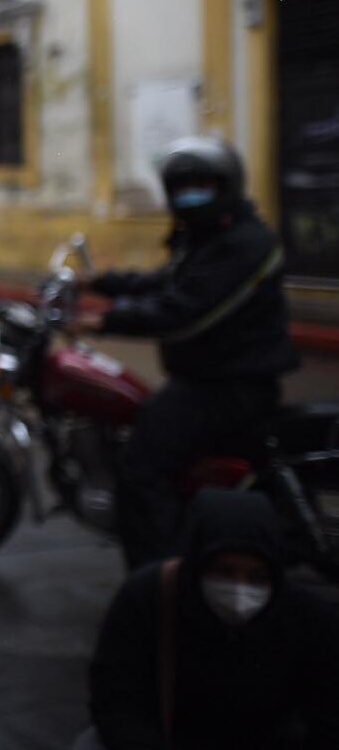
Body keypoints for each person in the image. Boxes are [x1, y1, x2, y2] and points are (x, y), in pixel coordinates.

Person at [78, 136, 299, 568]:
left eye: (202, 186)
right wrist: (103, 284)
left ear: (227, 186)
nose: (190, 196)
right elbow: (168, 281)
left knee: (139, 466)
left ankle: (156, 577)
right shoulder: (207, 237)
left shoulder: (245, 243)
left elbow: (188, 310)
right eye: (181, 188)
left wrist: (106, 320)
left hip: (227, 387)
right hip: (211, 379)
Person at [83, 490, 339, 749]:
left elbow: (330, 717)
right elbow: (115, 699)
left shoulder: (310, 617)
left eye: (256, 577)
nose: (239, 590)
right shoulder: (148, 599)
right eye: (224, 572)